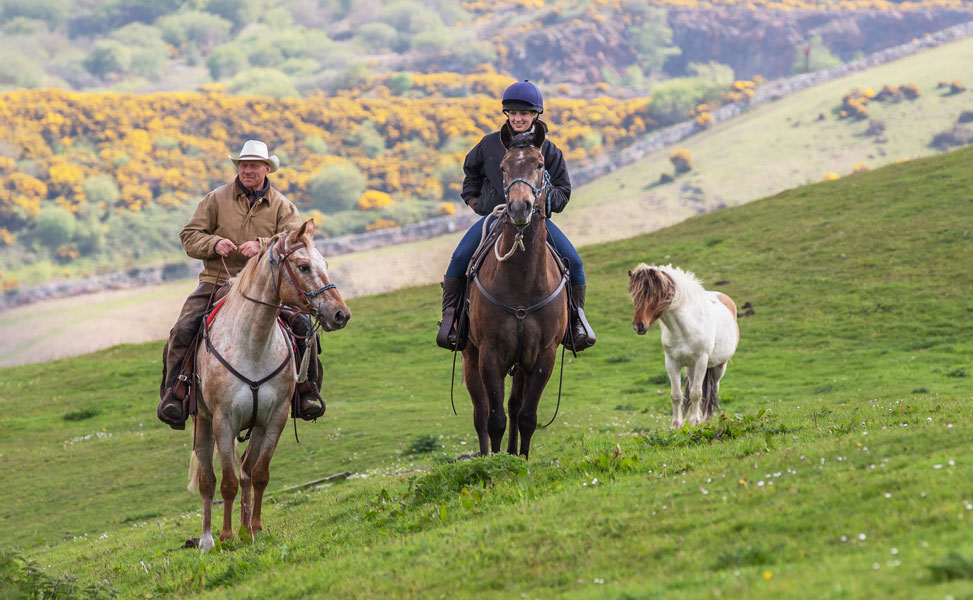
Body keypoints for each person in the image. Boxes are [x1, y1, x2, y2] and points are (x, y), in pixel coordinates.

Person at [158, 140, 325, 429]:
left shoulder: (284, 207)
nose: (247, 170)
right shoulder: (215, 199)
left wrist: (261, 245)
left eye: (253, 165)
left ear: (265, 169)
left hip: (268, 286)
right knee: (183, 329)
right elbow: (189, 235)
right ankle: (176, 394)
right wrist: (213, 243)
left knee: (305, 328)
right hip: (218, 281)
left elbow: (295, 240)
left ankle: (305, 391)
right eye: (243, 165)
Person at [436, 80, 595, 351]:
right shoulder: (488, 145)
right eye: (512, 113)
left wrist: (543, 202)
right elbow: (470, 176)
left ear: (535, 115)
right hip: (495, 219)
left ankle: (575, 323)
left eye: (524, 113)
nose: (518, 118)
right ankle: (451, 319)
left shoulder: (550, 151)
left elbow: (563, 191)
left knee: (575, 263)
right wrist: (477, 202)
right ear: (507, 115)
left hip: (537, 222)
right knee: (460, 258)